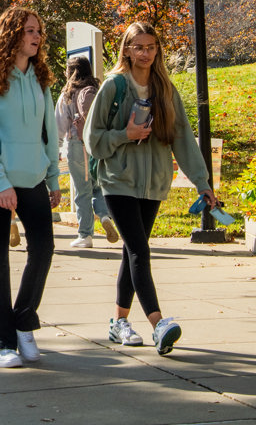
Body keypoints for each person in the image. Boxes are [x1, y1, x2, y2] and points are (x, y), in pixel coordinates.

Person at [84, 22, 219, 355]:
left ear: (158, 49)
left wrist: (202, 184)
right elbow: (92, 140)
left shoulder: (165, 89)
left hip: (154, 184)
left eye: (151, 46)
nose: (145, 53)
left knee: (133, 252)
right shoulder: (114, 87)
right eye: (138, 47)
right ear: (127, 50)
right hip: (119, 181)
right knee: (140, 251)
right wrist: (124, 136)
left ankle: (118, 323)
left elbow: (184, 140)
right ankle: (159, 323)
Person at [0, 6, 61, 369]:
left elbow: (49, 132)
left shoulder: (41, 78)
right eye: (29, 31)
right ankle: (2, 341)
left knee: (45, 247)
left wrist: (53, 177)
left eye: (38, 31)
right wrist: (0, 181)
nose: (36, 37)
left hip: (34, 177)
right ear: (11, 34)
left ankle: (23, 319)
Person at [55, 56, 118, 248]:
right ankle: (105, 215)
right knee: (97, 186)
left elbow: (58, 125)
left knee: (82, 191)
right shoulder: (97, 91)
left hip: (77, 145)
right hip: (97, 145)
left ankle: (85, 235)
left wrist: (56, 149)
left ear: (70, 71)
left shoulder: (68, 94)